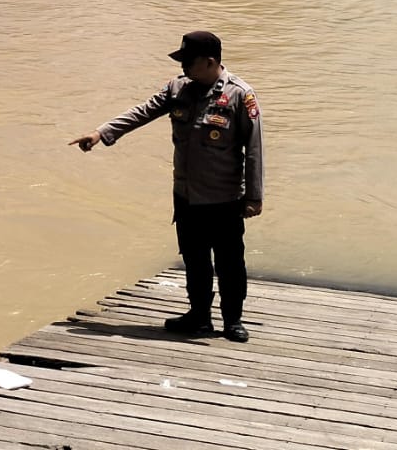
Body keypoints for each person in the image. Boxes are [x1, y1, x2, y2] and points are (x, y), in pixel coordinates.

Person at [69, 30, 263, 343]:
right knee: (194, 258)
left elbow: (254, 149)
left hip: (224, 198)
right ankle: (199, 316)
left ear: (210, 62)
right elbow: (143, 111)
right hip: (186, 196)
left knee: (229, 262)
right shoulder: (178, 89)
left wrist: (254, 197)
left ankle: (233, 320)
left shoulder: (240, 95)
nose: (184, 66)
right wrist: (101, 133)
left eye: (189, 61)